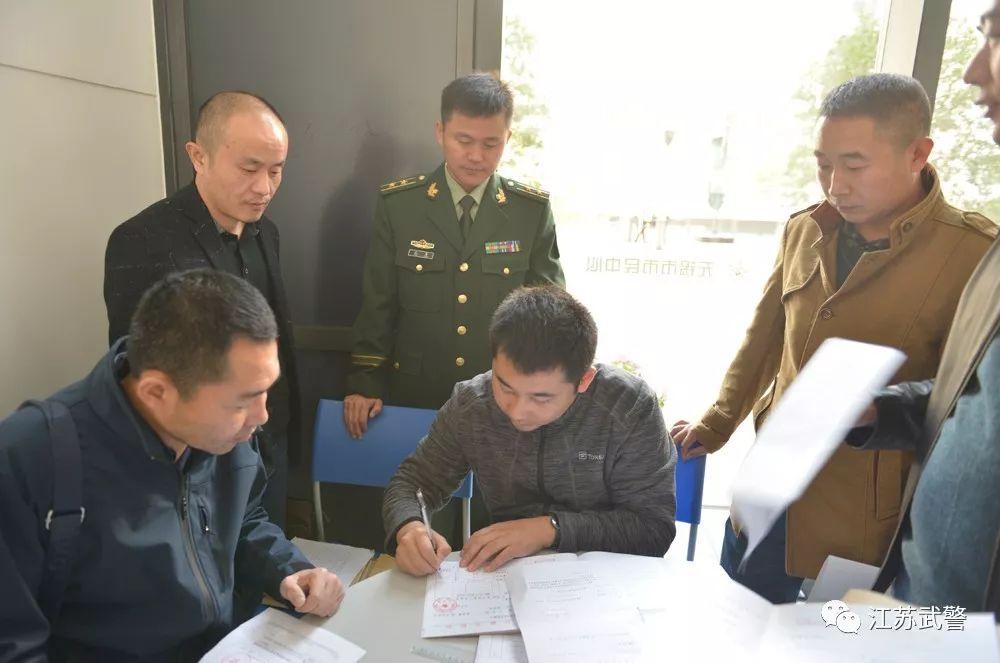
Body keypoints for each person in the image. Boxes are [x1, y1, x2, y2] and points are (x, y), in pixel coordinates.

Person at [670, 73, 997, 603]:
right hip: (766, 493)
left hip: (863, 517)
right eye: (823, 164)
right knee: (732, 622)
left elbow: (974, 400)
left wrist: (877, 408)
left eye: (854, 165)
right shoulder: (805, 229)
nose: (835, 185)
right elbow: (765, 338)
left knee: (832, 639)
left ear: (918, 154)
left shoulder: (973, 254)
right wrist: (718, 422)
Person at [0, 270, 344, 661]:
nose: (261, 416)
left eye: (266, 390)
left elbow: (243, 520)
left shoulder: (225, 432)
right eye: (241, 402)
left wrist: (287, 569)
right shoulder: (29, 460)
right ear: (156, 392)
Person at [339, 72, 565, 549]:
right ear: (440, 132)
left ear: (507, 139)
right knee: (422, 525)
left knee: (488, 529)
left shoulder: (528, 211)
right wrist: (365, 378)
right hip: (417, 393)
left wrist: (548, 395)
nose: (476, 155)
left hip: (501, 402)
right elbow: (379, 300)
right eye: (464, 140)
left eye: (491, 143)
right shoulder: (400, 206)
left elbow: (549, 315)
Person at [850, 3, 1000, 618]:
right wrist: (880, 409)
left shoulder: (972, 244)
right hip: (925, 612)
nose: (971, 71)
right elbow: (976, 401)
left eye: (995, 40)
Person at [104, 91, 299, 530]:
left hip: (269, 437)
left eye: (276, 170)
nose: (264, 187)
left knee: (270, 554)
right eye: (249, 168)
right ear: (198, 156)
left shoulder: (266, 232)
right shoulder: (144, 239)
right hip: (199, 458)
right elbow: (135, 369)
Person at [382, 286, 676, 577]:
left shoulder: (628, 406)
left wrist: (549, 529)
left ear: (584, 380)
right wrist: (409, 527)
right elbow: (412, 483)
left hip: (609, 581)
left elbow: (653, 529)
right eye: (504, 386)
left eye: (541, 398)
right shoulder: (472, 404)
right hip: (507, 579)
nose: (517, 411)